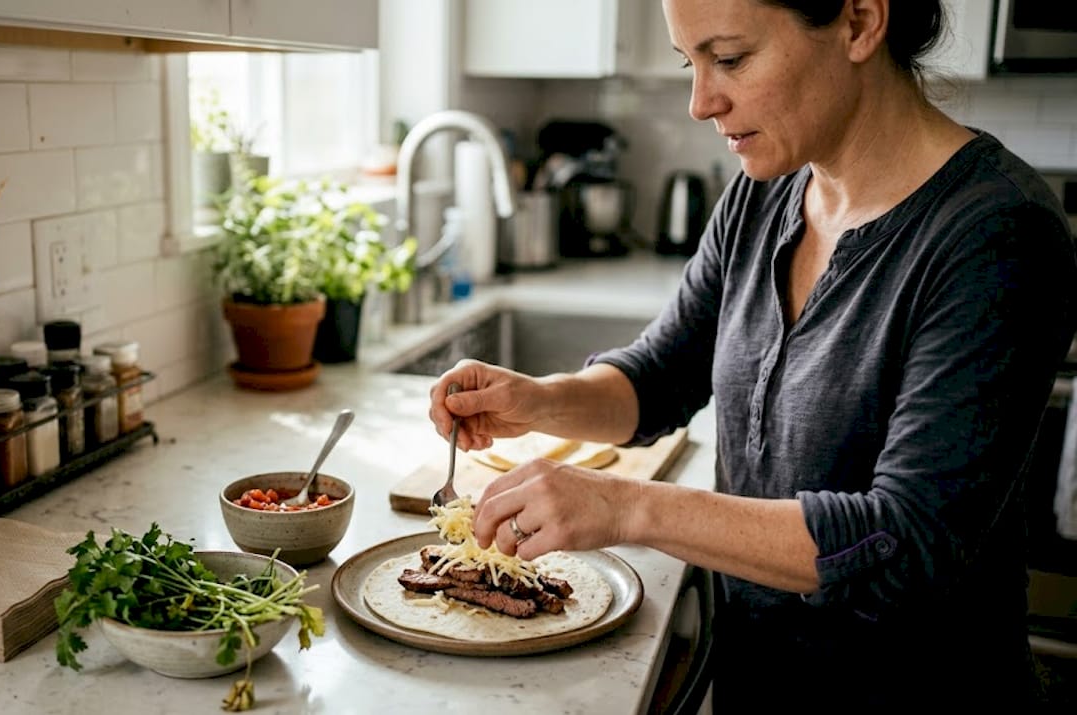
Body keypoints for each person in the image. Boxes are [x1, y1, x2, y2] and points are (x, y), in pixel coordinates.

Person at [427, 0, 1077, 712]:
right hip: (761, 684)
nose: (702, 102)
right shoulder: (764, 192)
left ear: (860, 22)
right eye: (690, 63)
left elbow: (905, 539)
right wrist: (539, 400)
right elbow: (662, 375)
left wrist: (626, 507)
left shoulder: (999, 233)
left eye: (730, 58)